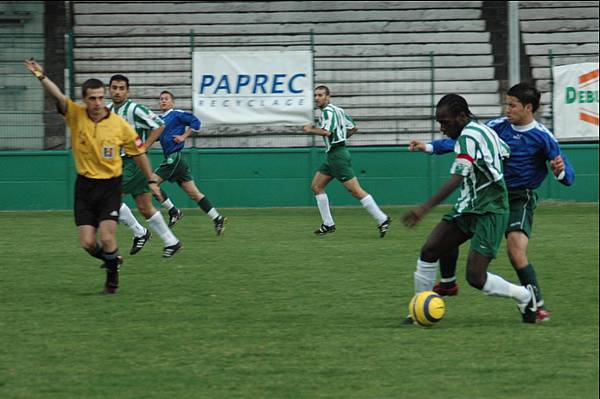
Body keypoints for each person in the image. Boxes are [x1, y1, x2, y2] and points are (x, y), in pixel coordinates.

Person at [408, 82, 575, 322]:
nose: (507, 109)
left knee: (512, 253)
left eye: (512, 105)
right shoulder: (494, 127)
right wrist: (431, 146)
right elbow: (466, 142)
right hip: (480, 198)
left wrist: (559, 172)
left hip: (515, 197)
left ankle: (532, 301)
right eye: (506, 104)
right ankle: (426, 303)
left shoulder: (542, 137)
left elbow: (568, 175)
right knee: (432, 247)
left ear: (528, 108)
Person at [23, 58, 162, 294]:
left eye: (100, 97)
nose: (98, 102)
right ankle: (113, 260)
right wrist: (40, 76)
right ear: (84, 100)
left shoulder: (119, 125)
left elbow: (138, 153)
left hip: (110, 186)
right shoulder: (76, 115)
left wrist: (151, 179)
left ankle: (112, 281)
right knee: (88, 243)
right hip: (85, 187)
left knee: (107, 238)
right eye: (92, 98)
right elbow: (58, 96)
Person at [107, 75, 182, 257]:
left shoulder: (135, 109)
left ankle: (140, 232)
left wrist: (143, 146)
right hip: (119, 162)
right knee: (144, 207)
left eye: (121, 88)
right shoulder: (107, 110)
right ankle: (171, 241)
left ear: (127, 91)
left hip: (134, 162)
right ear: (109, 89)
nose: (117, 91)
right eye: (114, 87)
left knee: (109, 198)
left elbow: (159, 125)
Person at [302, 85, 391, 237]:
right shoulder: (339, 110)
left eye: (320, 95)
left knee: (355, 191)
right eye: (316, 95)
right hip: (334, 154)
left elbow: (327, 132)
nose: (317, 98)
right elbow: (354, 128)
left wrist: (310, 130)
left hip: (337, 156)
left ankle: (382, 218)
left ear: (328, 97)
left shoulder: (327, 112)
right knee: (316, 186)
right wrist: (341, 138)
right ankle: (328, 224)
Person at [143, 90, 226, 235]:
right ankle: (217, 218)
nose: (163, 101)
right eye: (161, 99)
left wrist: (184, 136)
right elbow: (155, 137)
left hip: (174, 158)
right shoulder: (160, 120)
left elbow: (196, 122)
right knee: (195, 194)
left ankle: (173, 211)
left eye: (166, 99)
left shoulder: (177, 114)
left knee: (151, 184)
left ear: (172, 103)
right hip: (176, 161)